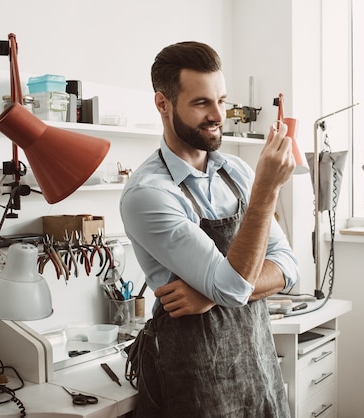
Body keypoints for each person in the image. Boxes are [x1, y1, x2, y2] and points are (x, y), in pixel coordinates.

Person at [120, 41, 299, 418]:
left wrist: (211, 296)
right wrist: (267, 191)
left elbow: (287, 266)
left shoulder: (236, 171)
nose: (218, 114)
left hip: (257, 367)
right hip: (195, 378)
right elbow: (235, 285)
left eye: (221, 99)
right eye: (201, 103)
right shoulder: (150, 194)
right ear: (163, 104)